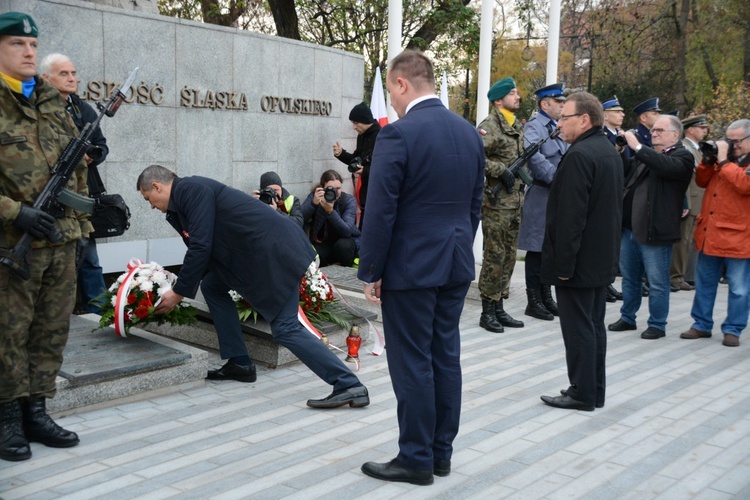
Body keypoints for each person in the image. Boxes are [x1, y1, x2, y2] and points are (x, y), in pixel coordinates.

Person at [136, 165, 369, 407]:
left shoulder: (191, 190)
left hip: (274, 254)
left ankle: (349, 385)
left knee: (285, 329)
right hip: (254, 257)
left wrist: (179, 292)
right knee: (213, 287)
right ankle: (239, 362)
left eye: (148, 198)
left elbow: (201, 245)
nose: (151, 205)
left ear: (156, 186)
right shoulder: (183, 201)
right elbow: (207, 246)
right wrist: (177, 285)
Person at [357, 50, 484, 486]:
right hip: (454, 262)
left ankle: (414, 458)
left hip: (411, 267)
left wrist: (370, 268)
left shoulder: (399, 134)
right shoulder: (469, 133)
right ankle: (439, 454)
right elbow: (473, 206)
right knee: (444, 357)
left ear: (401, 84)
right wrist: (456, 248)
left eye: (391, 91)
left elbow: (380, 210)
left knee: (412, 361)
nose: (390, 101)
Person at [0, 12, 90, 461]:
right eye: (17, 43)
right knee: (8, 334)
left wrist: (82, 227)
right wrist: (16, 212)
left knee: (51, 331)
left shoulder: (55, 103)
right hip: (12, 245)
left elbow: (77, 173)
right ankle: (8, 420)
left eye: (32, 44)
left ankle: (37, 410)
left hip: (62, 239)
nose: (29, 52)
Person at [539, 91, 623, 411]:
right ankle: (593, 390)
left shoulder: (579, 155)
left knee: (578, 329)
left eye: (565, 117)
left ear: (584, 119)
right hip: (598, 260)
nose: (559, 123)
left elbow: (570, 218)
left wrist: (563, 265)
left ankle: (581, 392)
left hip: (577, 263)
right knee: (593, 326)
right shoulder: (606, 150)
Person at [608, 114, 693, 339]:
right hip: (630, 228)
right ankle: (628, 317)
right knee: (629, 277)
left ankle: (657, 323)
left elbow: (666, 168)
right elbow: (625, 174)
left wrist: (638, 147)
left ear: (675, 135)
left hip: (655, 230)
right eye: (653, 130)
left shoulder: (682, 156)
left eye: (659, 131)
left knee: (657, 282)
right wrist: (619, 151)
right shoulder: (646, 155)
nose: (654, 133)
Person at [41, 53, 110, 314]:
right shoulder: (37, 109)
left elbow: (102, 146)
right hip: (49, 193)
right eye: (64, 74)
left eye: (73, 73)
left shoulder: (83, 109)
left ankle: (98, 311)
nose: (72, 78)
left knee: (88, 256)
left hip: (80, 194)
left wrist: (90, 155)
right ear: (46, 78)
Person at [680, 119, 750, 347]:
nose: (732, 145)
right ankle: (701, 324)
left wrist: (722, 160)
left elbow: (744, 185)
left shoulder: (733, 163)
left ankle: (733, 329)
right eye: (729, 140)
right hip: (710, 233)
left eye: (737, 140)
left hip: (739, 237)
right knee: (704, 283)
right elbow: (701, 182)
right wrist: (708, 162)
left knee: (739, 288)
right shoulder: (724, 161)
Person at [476, 77, 526, 333]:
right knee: (494, 256)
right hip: (496, 204)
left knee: (508, 256)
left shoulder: (514, 124)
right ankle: (487, 310)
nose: (518, 96)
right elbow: (473, 156)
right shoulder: (490, 126)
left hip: (514, 201)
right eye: (513, 93)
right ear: (498, 100)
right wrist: (500, 169)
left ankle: (499, 306)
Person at [519, 82, 568, 321]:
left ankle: (546, 296)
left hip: (558, 195)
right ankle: (533, 301)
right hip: (541, 194)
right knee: (537, 250)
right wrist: (556, 178)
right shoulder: (535, 126)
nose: (562, 106)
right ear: (544, 103)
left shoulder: (560, 126)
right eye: (558, 102)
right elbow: (533, 156)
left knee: (550, 249)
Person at [670, 114, 708, 291]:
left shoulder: (697, 149)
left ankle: (682, 275)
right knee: (682, 241)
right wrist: (685, 203)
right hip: (691, 201)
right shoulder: (686, 148)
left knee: (689, 241)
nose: (705, 131)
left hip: (698, 201)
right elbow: (685, 178)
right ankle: (675, 276)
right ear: (690, 129)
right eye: (701, 128)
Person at [333, 102, 381, 229]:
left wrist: (365, 171)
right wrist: (341, 154)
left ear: (365, 120)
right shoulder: (361, 136)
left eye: (356, 123)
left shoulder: (382, 136)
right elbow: (355, 160)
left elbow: (386, 170)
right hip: (366, 197)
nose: (354, 127)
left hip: (379, 198)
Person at [301, 169, 360, 267]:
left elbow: (347, 231)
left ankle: (347, 273)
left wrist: (330, 211)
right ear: (322, 188)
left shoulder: (348, 200)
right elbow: (300, 218)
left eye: (338, 188)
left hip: (345, 241)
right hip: (324, 243)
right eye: (331, 188)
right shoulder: (315, 196)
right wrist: (313, 204)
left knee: (342, 246)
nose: (335, 192)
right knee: (314, 254)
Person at [600, 96, 626, 303]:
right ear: (605, 115)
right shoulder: (603, 137)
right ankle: (603, 283)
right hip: (606, 194)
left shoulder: (623, 136)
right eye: (617, 111)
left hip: (621, 193)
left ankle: (608, 281)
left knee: (613, 240)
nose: (622, 115)